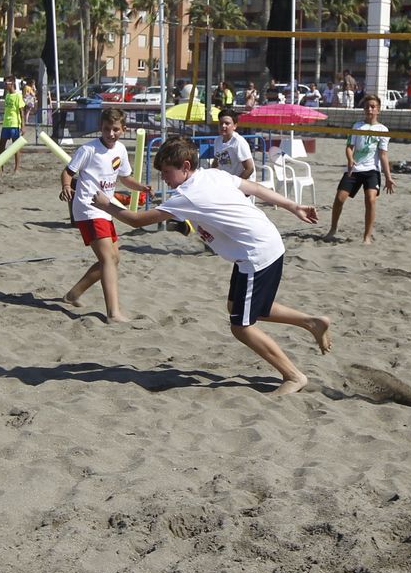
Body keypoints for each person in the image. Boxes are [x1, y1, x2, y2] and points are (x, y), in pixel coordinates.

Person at [91, 136, 331, 395]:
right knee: (237, 306)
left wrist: (108, 204)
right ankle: (312, 322)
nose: (166, 180)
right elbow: (254, 188)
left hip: (256, 253)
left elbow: (137, 220)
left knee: (241, 326)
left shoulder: (187, 194)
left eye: (168, 173)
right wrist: (292, 205)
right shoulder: (213, 175)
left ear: (185, 166)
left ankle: (293, 376)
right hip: (260, 245)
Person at [60, 108, 151, 322]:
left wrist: (142, 187)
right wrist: (66, 185)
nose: (111, 133)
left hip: (106, 207)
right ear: (100, 128)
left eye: (116, 129)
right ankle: (113, 313)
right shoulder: (88, 149)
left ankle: (72, 294)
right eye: (107, 129)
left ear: (123, 129)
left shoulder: (120, 149)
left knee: (114, 258)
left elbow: (125, 178)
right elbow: (68, 172)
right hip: (88, 207)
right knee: (108, 258)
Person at [327, 94, 395, 244]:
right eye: (367, 107)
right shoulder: (357, 126)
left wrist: (388, 177)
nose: (369, 109)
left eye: (373, 107)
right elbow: (349, 148)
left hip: (372, 170)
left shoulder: (383, 129)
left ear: (378, 110)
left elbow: (383, 155)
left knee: (370, 200)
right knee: (339, 199)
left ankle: (367, 237)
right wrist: (350, 159)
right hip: (355, 169)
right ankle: (333, 229)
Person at [212, 108, 255, 181]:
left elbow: (250, 169)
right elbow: (215, 163)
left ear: (234, 126)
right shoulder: (217, 140)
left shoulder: (238, 142)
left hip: (241, 184)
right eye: (221, 123)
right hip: (226, 182)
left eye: (227, 123)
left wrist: (235, 184)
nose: (223, 126)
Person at [0, 76, 26, 169]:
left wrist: (23, 126)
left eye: (6, 83)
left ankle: (17, 168)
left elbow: (22, 112)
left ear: (12, 84)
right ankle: (0, 166)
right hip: (6, 124)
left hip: (14, 124)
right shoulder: (7, 96)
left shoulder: (18, 96)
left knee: (16, 147)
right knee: (1, 145)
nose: (5, 85)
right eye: (4, 84)